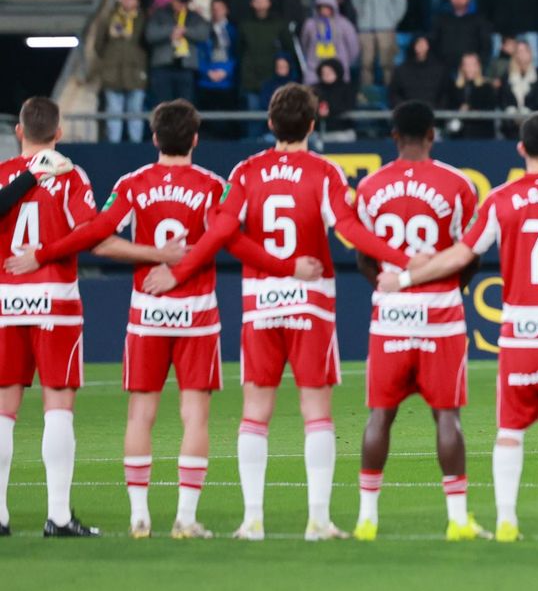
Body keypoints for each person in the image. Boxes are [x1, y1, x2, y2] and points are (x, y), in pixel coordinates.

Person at [6, 101, 307, 538]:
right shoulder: (212, 186)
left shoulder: (131, 183)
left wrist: (42, 253)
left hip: (144, 314)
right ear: (196, 140)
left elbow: (96, 234)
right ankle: (185, 517)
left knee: (139, 415)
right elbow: (231, 239)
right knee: (194, 416)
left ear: (153, 139)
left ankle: (139, 516)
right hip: (196, 314)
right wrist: (284, 267)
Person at [141, 84, 410, 540]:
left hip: (260, 305)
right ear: (311, 124)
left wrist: (178, 271)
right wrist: (404, 260)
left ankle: (252, 520)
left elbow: (224, 232)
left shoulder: (246, 172)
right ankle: (318, 520)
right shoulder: (324, 172)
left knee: (255, 413)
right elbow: (348, 229)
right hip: (311, 304)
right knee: (316, 412)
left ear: (270, 124)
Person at [375, 114, 538, 541]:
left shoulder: (500, 200)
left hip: (518, 333)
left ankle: (506, 522)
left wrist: (406, 278)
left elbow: (460, 255)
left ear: (520, 149)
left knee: (509, 431)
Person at [0, 100, 166, 537]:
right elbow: (90, 233)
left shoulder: (3, 175)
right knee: (58, 406)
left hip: (5, 301)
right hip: (55, 298)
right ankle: (57, 516)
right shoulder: (71, 176)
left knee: (3, 411)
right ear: (59, 133)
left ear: (19, 131)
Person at [348, 102, 482, 540]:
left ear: (393, 137)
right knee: (447, 416)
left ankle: (367, 518)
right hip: (440, 314)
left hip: (390, 314)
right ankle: (458, 519)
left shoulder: (369, 186)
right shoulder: (458, 184)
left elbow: (362, 255)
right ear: (431, 135)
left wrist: (387, 283)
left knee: (380, 416)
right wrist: (446, 287)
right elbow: (469, 254)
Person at [95, 0, 148, 144]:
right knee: (113, 112)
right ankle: (114, 145)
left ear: (137, 1)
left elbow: (147, 43)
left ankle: (135, 146)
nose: (128, 1)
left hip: (135, 72)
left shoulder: (143, 18)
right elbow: (99, 44)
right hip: (112, 73)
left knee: (135, 111)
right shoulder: (110, 17)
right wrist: (108, 59)